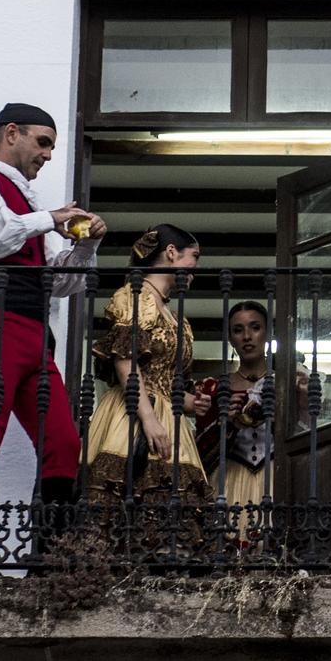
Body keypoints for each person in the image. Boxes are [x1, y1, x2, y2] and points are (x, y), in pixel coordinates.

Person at [0, 103, 104, 576]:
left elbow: (61, 284)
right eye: (43, 142)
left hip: (37, 335)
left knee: (62, 441)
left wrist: (87, 244)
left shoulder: (33, 204)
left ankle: (51, 555)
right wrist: (49, 219)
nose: (49, 154)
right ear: (10, 133)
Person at [81, 225, 212, 554]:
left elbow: (164, 378)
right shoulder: (136, 297)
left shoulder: (172, 315)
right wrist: (150, 419)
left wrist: (190, 402)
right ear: (171, 253)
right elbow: (126, 363)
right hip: (135, 413)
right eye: (193, 257)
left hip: (166, 413)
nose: (196, 268)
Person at [208, 300, 277, 542]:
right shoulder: (215, 388)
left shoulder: (288, 382)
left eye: (255, 327)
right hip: (229, 480)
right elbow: (200, 454)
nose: (247, 336)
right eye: (238, 330)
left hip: (275, 478)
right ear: (230, 338)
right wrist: (227, 425)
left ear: (268, 333)